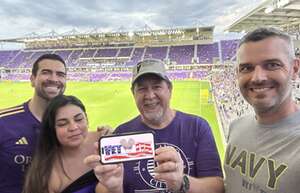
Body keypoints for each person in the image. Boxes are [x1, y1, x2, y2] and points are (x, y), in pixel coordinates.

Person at [85, 59, 224, 193]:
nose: (150, 95)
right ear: (133, 94)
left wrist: (182, 182)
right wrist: (113, 188)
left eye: (157, 86)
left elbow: (217, 188)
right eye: (142, 89)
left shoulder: (197, 127)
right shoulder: (121, 134)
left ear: (169, 89)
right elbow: (102, 188)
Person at [224, 27, 300, 193]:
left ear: (294, 69)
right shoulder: (236, 127)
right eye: (246, 68)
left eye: (272, 65)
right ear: (237, 73)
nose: (258, 77)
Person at [0, 54, 67, 193]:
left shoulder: (72, 127)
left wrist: (104, 133)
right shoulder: (3, 122)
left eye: (60, 74)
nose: (54, 79)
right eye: (46, 72)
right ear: (32, 79)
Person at [22, 95, 110, 193]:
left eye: (79, 119)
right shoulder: (46, 173)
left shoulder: (103, 140)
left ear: (87, 119)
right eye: (63, 124)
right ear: (52, 129)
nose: (73, 127)